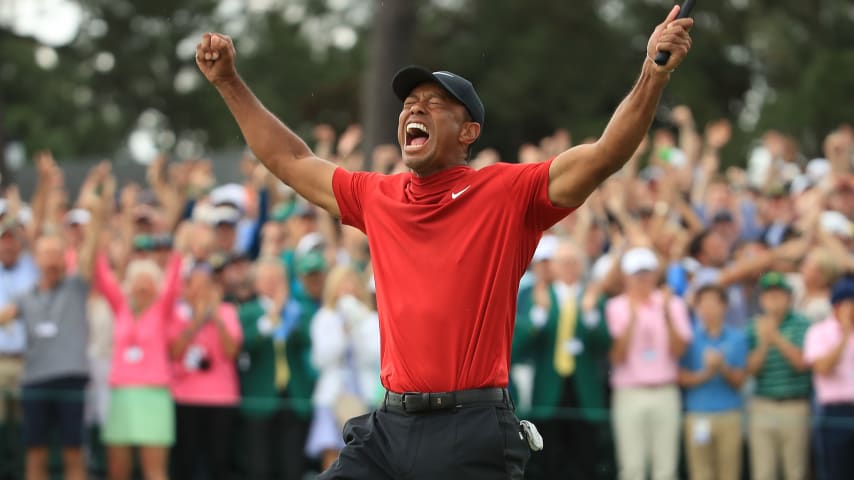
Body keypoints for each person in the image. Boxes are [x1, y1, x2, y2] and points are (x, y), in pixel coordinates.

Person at [194, 5, 694, 477]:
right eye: (410, 104)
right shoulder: (378, 195)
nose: (416, 109)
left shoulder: (508, 192)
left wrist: (653, 72)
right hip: (387, 428)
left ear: (468, 131)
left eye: (435, 105)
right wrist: (229, 83)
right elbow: (292, 161)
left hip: (471, 429)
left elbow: (606, 153)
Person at [0, 169, 111, 480]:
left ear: (65, 258)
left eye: (57, 253)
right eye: (46, 253)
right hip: (34, 379)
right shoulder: (25, 295)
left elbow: (91, 251)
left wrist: (98, 214)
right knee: (34, 454)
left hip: (71, 379)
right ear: (35, 258)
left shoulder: (77, 285)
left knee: (73, 452)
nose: (51, 259)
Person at [93, 247, 184, 480]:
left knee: (154, 470)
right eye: (138, 282)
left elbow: (173, 282)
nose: (143, 288)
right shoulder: (120, 307)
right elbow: (102, 278)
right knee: (117, 471)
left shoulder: (162, 309)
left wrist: (178, 252)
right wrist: (97, 246)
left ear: (157, 287)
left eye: (149, 283)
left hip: (154, 395)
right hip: (122, 394)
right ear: (129, 286)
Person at [606, 247, 692, 480]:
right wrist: (632, 321)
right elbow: (616, 357)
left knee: (666, 468)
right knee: (631, 467)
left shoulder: (672, 304)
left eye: (647, 273)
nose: (642, 280)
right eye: (637, 274)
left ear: (655, 275)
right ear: (626, 276)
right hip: (629, 392)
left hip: (665, 391)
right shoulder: (616, 306)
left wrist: (666, 314)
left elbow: (679, 350)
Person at [168, 264, 243, 480]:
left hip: (221, 399)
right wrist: (197, 322)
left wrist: (216, 319)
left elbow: (231, 352)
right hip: (186, 398)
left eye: (206, 286)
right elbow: (174, 353)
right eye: (196, 286)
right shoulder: (177, 314)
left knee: (219, 461)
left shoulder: (227, 312)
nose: (200, 291)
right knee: (185, 462)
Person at [306, 265, 380, 471]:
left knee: (362, 452)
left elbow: (373, 357)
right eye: (342, 286)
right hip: (332, 396)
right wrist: (342, 333)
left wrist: (355, 329)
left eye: (352, 286)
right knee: (331, 448)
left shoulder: (371, 319)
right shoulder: (324, 318)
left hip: (363, 395)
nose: (347, 291)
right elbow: (321, 359)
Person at [745, 272, 811, 480]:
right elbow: (752, 370)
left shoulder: (803, 324)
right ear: (761, 299)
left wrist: (775, 337)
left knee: (795, 471)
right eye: (768, 295)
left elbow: (801, 363)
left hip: (795, 404)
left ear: (789, 298)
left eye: (779, 294)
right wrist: (765, 341)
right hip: (763, 404)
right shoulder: (753, 327)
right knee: (763, 472)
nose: (773, 299)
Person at [678, 285, 748, 480]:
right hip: (697, 415)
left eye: (712, 303)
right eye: (703, 304)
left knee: (729, 473)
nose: (707, 309)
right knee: (700, 474)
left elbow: (740, 380)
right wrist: (706, 374)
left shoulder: (737, 338)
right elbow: (680, 376)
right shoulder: (688, 338)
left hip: (729, 415)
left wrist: (721, 367)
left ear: (724, 306)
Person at [803, 276, 854, 479]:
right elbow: (823, 367)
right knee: (835, 472)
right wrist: (845, 334)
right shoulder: (818, 332)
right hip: (835, 412)